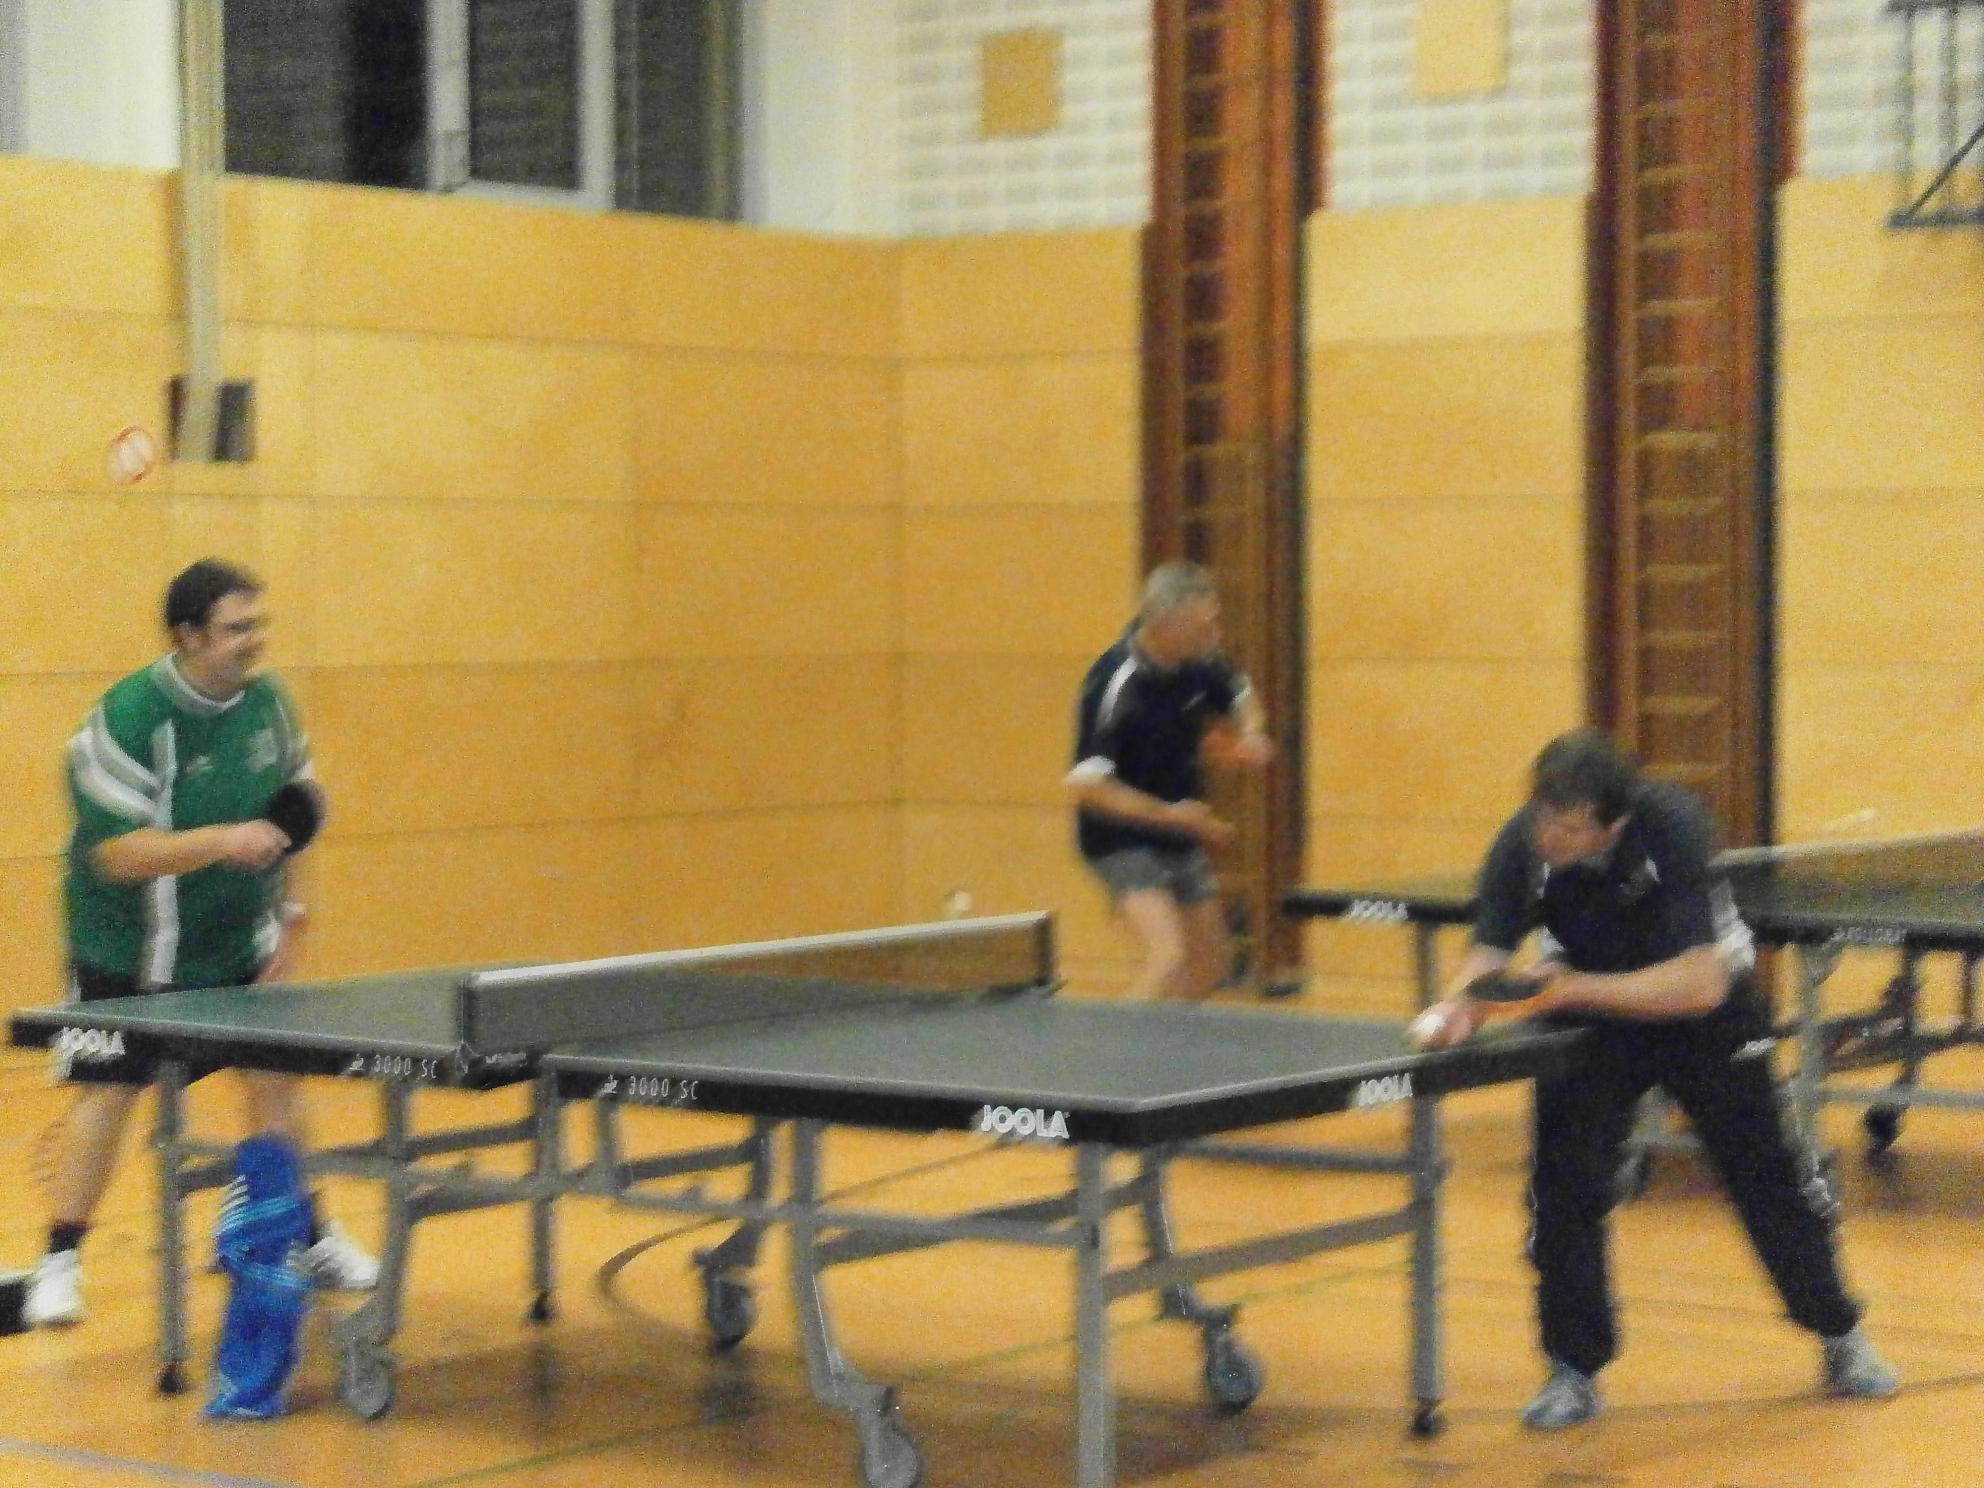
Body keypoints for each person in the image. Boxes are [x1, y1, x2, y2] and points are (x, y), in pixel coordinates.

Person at [1415, 727, 1899, 1428]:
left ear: (1613, 825)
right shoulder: (1523, 843)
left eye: (1569, 827)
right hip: (1593, 1023)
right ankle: (1573, 1368)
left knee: (1766, 1176)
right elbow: (1488, 952)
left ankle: (1838, 1332)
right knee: (1564, 1187)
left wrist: (1568, 989)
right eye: (1544, 816)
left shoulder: (1672, 827)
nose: (1549, 836)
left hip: (1703, 1016)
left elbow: (1700, 984)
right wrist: (1459, 1007)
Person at [23, 558, 378, 1328]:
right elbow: (115, 855)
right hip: (126, 949)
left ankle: (308, 1234)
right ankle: (59, 1260)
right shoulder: (128, 718)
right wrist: (223, 840)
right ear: (188, 636)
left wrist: (293, 920)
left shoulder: (270, 705)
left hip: (235, 942)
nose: (255, 641)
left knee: (275, 1084)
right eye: (236, 628)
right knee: (108, 1094)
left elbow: (297, 809)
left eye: (258, 625)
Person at [1065, 561, 1272, 1001]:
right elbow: (1088, 787)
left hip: (1177, 833)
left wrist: (1251, 733)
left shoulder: (1201, 660)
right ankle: (1114, 1043)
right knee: (1168, 957)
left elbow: (1241, 694)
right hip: (1118, 838)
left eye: (1215, 621)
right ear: (1164, 625)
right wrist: (1171, 815)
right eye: (1203, 626)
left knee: (1211, 961)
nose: (1214, 634)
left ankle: (1164, 1043)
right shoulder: (1113, 684)